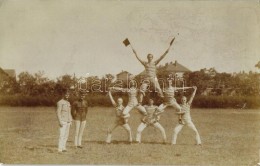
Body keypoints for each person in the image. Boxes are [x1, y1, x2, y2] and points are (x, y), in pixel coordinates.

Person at [131, 38, 175, 104]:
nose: (149, 58)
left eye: (151, 57)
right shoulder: (145, 63)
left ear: (152, 58)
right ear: (147, 58)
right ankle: (139, 102)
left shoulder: (155, 63)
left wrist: (167, 51)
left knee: (158, 88)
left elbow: (162, 57)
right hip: (146, 78)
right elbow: (139, 59)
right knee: (142, 89)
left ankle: (164, 101)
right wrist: (135, 53)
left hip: (154, 78)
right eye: (148, 57)